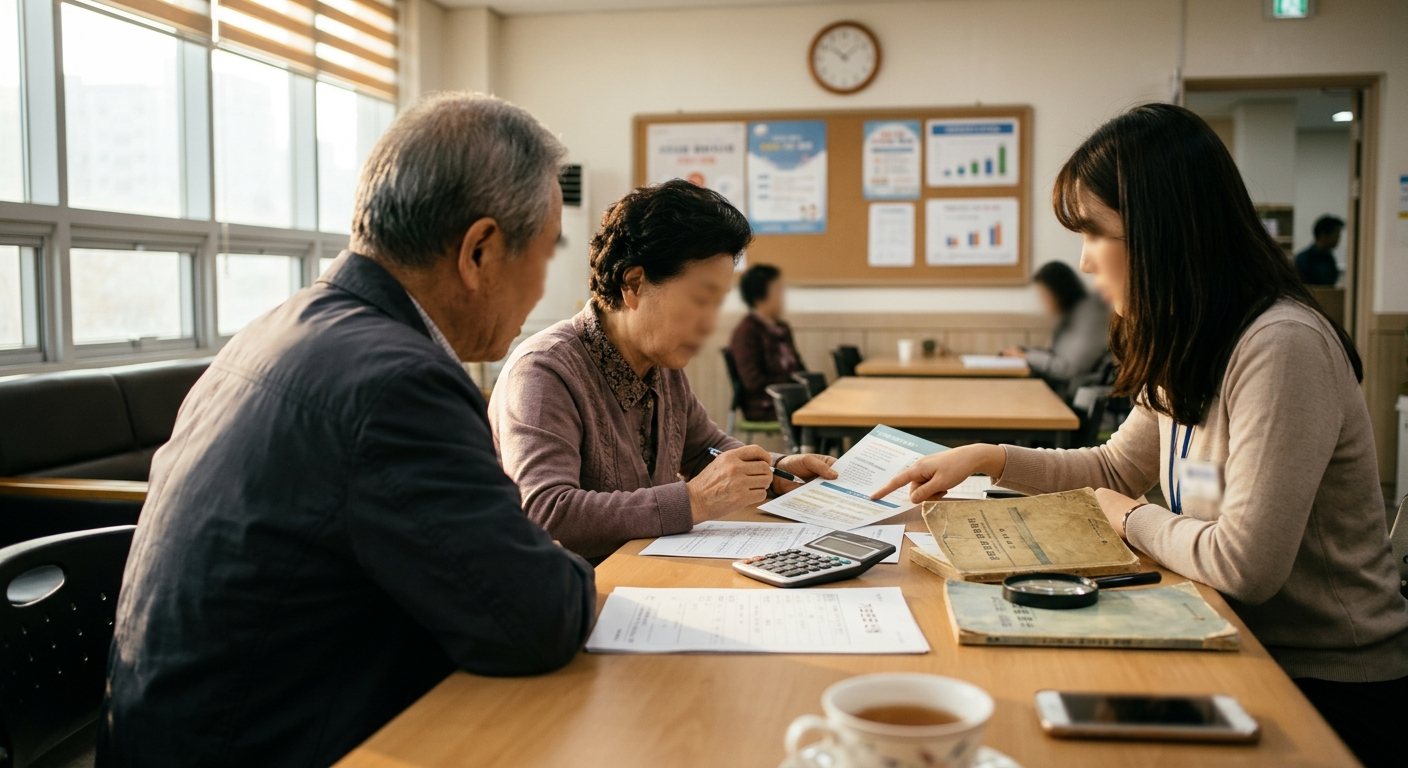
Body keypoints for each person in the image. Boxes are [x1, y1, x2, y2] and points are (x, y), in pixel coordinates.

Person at [872, 104, 1408, 767]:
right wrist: (991, 458)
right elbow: (1117, 467)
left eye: (1094, 232)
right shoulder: (1191, 334)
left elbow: (1245, 565)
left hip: (1325, 684)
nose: (1085, 262)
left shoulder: (1281, 344)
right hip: (1232, 640)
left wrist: (1129, 521)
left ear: (1163, 232)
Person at [100, 94, 597, 768]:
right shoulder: (399, 383)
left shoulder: (275, 330)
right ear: (479, 250)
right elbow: (533, 619)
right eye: (542, 256)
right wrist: (566, 565)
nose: (542, 291)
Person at [489, 180, 837, 561]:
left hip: (642, 576)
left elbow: (705, 449)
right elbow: (546, 513)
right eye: (698, 299)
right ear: (633, 283)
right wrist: (693, 501)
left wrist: (779, 468)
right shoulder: (543, 371)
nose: (709, 323)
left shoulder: (660, 361)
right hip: (576, 597)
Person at [1001, 260, 1110, 398]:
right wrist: (1024, 351)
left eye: (1045, 295)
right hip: (1064, 393)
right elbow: (1055, 355)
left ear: (1059, 291)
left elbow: (1069, 369)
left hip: (1076, 398)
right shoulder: (1072, 315)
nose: (1043, 302)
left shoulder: (1090, 317)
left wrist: (1026, 357)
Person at [728, 263, 806, 420]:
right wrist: (793, 386)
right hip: (766, 404)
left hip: (792, 396)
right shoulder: (747, 331)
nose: (782, 297)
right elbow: (753, 382)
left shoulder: (782, 327)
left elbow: (799, 366)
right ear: (759, 297)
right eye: (778, 291)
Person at [1294, 214, 1344, 286]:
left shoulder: (1329, 258)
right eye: (1336, 236)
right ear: (1323, 235)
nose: (1338, 240)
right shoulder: (1303, 259)